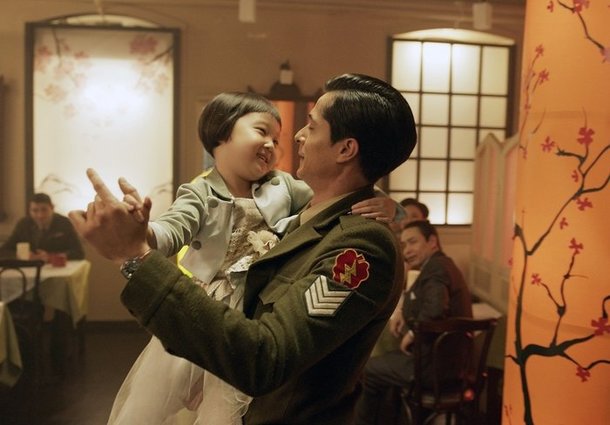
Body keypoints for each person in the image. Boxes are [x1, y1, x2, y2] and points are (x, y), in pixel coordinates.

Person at [70, 73, 417, 424]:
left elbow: (267, 358)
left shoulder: (361, 245)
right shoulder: (298, 212)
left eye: (311, 127)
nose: (297, 136)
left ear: (345, 149)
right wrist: (142, 234)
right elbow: (174, 228)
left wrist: (135, 255)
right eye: (261, 131)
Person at [354, 220, 473, 424]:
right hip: (446, 363)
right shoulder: (440, 265)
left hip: (435, 368)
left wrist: (411, 334)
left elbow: (435, 311)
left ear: (432, 242)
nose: (407, 250)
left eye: (413, 242)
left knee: (367, 370)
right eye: (404, 245)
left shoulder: (437, 268)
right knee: (384, 363)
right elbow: (426, 302)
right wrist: (404, 313)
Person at [0, 192, 84, 260]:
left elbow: (78, 253)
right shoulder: (23, 224)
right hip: (29, 270)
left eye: (44, 210)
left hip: (57, 269)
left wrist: (50, 257)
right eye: (35, 210)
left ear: (52, 208)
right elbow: (4, 251)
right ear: (29, 211)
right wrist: (21, 256)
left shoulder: (64, 223)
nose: (40, 215)